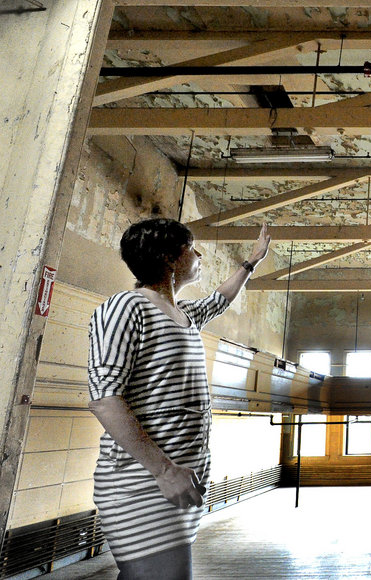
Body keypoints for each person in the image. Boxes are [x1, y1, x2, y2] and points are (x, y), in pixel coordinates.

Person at [87, 218, 270, 580]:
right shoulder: (125, 307)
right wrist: (165, 471)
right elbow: (105, 398)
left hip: (177, 482)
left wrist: (252, 262)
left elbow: (219, 300)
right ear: (171, 258)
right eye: (192, 247)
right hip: (144, 482)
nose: (199, 254)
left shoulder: (183, 315)